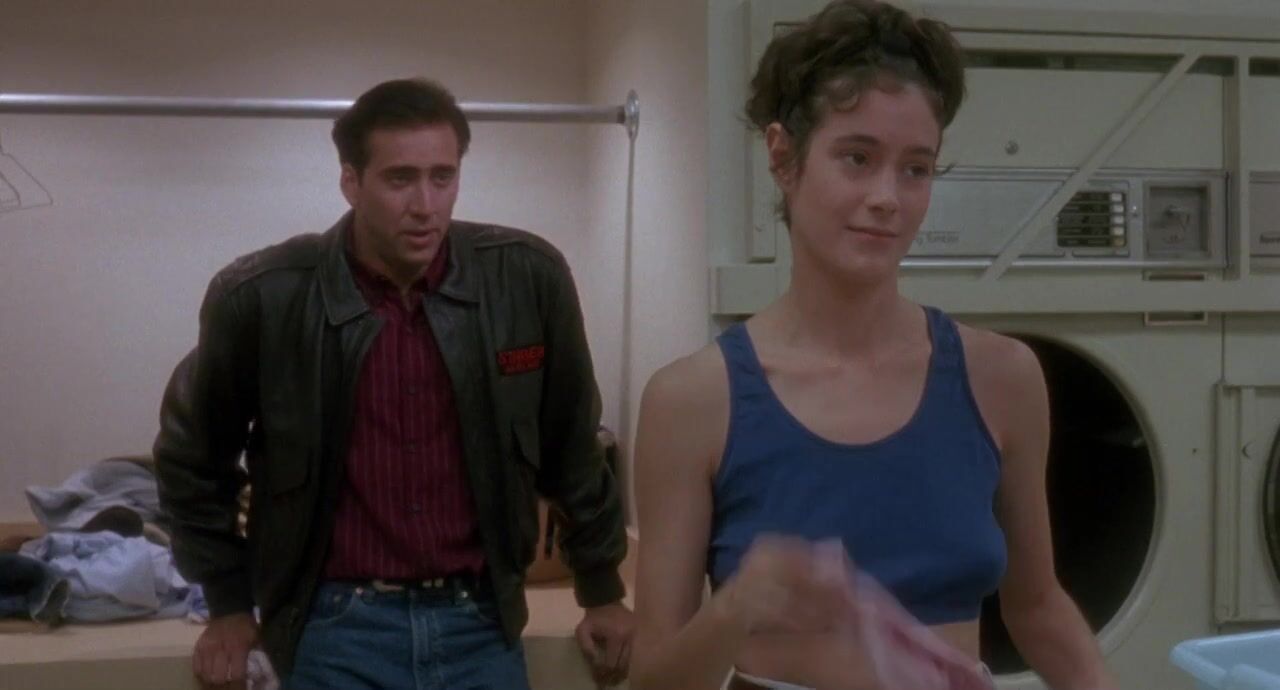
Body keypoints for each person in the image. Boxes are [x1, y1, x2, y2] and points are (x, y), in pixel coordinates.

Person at [628, 2, 1119, 689]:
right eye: (857, 159)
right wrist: (736, 608)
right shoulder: (693, 400)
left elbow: (1037, 606)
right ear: (783, 157)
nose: (888, 197)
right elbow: (653, 679)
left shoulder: (1001, 377)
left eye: (915, 169)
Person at [153, 77, 633, 690]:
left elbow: (573, 445)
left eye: (443, 176)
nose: (426, 205)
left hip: (480, 623)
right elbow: (193, 462)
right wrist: (227, 603)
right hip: (333, 626)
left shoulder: (525, 279)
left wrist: (602, 588)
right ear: (351, 182)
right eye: (400, 179)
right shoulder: (264, 296)